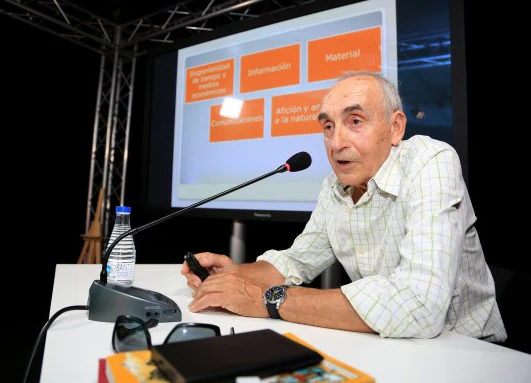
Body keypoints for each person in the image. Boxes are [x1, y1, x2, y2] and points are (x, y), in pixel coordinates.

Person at [181, 70, 507, 342]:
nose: (336, 143)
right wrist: (235, 274)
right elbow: (295, 263)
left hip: (465, 352)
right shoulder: (333, 188)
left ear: (395, 128)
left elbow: (419, 307)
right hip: (388, 345)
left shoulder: (431, 162)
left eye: (354, 121)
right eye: (328, 126)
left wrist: (266, 300)